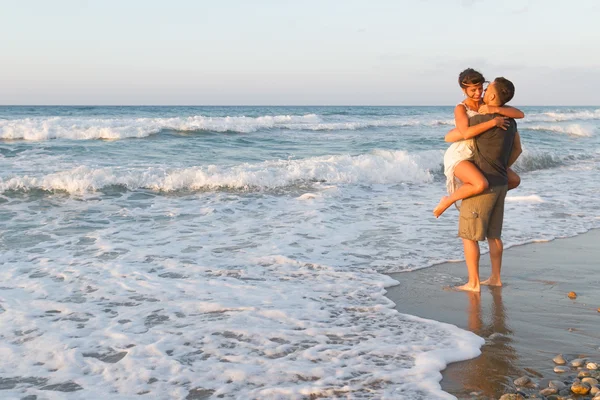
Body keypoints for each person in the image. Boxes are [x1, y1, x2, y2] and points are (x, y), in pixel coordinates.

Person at [454, 77, 519, 292]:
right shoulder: (512, 122)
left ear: (491, 96)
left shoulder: (481, 119)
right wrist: (501, 165)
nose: (482, 92)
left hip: (484, 183)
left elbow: (454, 135)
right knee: (494, 235)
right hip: (501, 183)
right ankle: (495, 278)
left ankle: (473, 283)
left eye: (486, 89)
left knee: (468, 235)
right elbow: (517, 150)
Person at [433, 69, 524, 218]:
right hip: (461, 155)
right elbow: (466, 133)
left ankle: (483, 196)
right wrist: (493, 122)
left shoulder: (486, 102)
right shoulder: (461, 108)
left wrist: (493, 109)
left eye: (481, 88)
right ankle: (447, 200)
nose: (478, 93)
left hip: (480, 154)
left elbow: (520, 114)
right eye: (473, 90)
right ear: (464, 90)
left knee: (514, 180)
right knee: (480, 184)